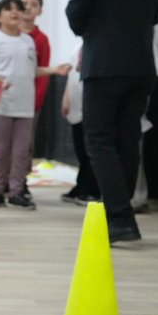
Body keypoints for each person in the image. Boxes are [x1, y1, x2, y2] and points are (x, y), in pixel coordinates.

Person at [66, 0, 158, 243]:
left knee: (100, 141)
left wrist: (94, 27)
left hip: (103, 66)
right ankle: (123, 220)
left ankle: (120, 218)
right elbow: (156, 14)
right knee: (128, 139)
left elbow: (75, 15)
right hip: (141, 65)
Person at [0, 0, 70, 210]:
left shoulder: (28, 41)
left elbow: (33, 71)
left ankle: (17, 190)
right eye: (8, 9)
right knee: (2, 150)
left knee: (22, 150)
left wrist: (54, 70)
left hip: (25, 105)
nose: (14, 12)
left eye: (17, 9)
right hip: (0, 104)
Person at [20, 0, 52, 197]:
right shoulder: (10, 36)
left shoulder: (41, 39)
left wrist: (37, 100)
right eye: (25, 4)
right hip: (7, 100)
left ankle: (21, 180)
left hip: (30, 101)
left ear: (40, 10)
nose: (28, 8)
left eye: (34, 4)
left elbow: (43, 71)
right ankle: (3, 180)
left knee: (26, 143)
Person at [60, 44, 100, 205]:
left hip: (93, 105)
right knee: (81, 150)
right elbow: (71, 76)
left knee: (92, 150)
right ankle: (82, 183)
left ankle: (92, 188)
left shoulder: (100, 45)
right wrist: (66, 97)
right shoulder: (76, 48)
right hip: (76, 105)